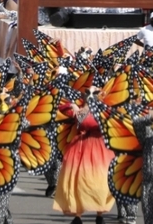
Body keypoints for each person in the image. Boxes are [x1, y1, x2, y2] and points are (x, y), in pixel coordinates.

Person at [52, 87, 115, 224]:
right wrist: (72, 105)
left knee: (100, 182)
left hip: (100, 150)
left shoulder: (105, 111)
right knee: (77, 181)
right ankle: (78, 215)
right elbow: (59, 107)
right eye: (87, 92)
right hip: (79, 148)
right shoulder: (81, 109)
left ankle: (99, 214)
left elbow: (94, 123)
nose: (90, 95)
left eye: (94, 92)